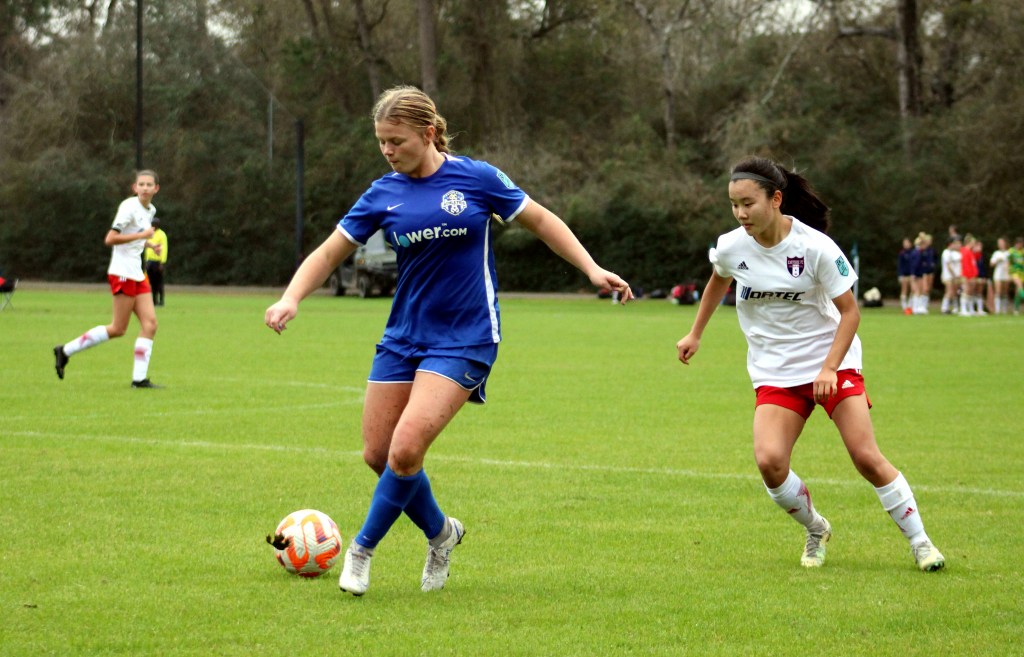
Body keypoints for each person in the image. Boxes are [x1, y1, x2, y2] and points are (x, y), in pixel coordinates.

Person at [263, 86, 633, 596]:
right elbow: (329, 254)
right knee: (378, 454)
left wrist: (592, 269)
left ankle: (361, 551)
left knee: (407, 447)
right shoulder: (382, 193)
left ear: (429, 133)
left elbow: (541, 220)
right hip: (403, 334)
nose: (388, 151)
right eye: (381, 142)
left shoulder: (477, 179)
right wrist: (291, 299)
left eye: (397, 141)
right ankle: (442, 534)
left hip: (467, 336)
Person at [675, 155, 945, 572]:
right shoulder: (731, 246)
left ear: (776, 199)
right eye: (734, 204)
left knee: (865, 457)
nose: (741, 213)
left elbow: (851, 313)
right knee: (769, 462)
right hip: (775, 371)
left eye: (748, 203)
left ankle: (921, 543)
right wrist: (696, 333)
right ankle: (816, 528)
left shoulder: (815, 247)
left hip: (831, 362)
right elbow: (717, 282)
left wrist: (829, 369)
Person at [53, 170, 163, 388]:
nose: (145, 188)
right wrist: (142, 236)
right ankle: (65, 350)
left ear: (156, 189)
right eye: (141, 184)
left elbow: (137, 235)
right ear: (135, 187)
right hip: (122, 272)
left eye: (149, 184)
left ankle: (139, 380)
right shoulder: (128, 207)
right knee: (118, 328)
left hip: (138, 273)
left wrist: (149, 244)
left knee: (150, 324)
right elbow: (111, 238)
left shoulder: (150, 209)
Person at [145, 217, 168, 306]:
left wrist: (162, 262)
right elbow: (147, 247)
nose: (153, 226)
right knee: (151, 282)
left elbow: (164, 249)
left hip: (157, 261)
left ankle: (161, 300)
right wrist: (146, 261)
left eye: (155, 224)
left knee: (159, 282)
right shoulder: (149, 233)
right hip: (149, 261)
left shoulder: (162, 235)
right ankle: (154, 301)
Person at [940, 235, 962, 315]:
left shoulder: (956, 253)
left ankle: (955, 308)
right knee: (949, 291)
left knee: (954, 292)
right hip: (948, 275)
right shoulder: (946, 252)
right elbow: (948, 265)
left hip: (954, 276)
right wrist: (954, 274)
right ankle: (944, 308)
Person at [959, 234, 979, 316]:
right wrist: (967, 275)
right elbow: (965, 264)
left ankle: (970, 309)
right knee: (966, 291)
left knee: (971, 292)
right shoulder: (964, 251)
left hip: (972, 274)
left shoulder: (971, 252)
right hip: (966, 274)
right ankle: (963, 309)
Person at [990, 237, 1011, 314]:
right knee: (998, 291)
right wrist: (997, 260)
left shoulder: (1009, 252)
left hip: (1006, 273)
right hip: (998, 273)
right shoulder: (996, 253)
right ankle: (997, 310)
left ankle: (1004, 309)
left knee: (1005, 292)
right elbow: (991, 264)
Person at [897, 237, 915, 315]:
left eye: (907, 243)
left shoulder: (913, 253)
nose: (906, 244)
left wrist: (913, 273)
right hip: (904, 274)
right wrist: (900, 274)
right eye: (904, 243)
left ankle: (910, 306)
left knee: (912, 290)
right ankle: (904, 307)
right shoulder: (902, 253)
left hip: (911, 274)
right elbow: (900, 265)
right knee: (904, 290)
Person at [1009, 236, 1024, 314]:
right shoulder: (1011, 251)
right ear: (1017, 244)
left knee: (1017, 291)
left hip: (1022, 273)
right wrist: (1008, 272)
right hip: (1014, 272)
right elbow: (1008, 262)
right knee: (1020, 287)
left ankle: (1016, 309)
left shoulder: (1022, 252)